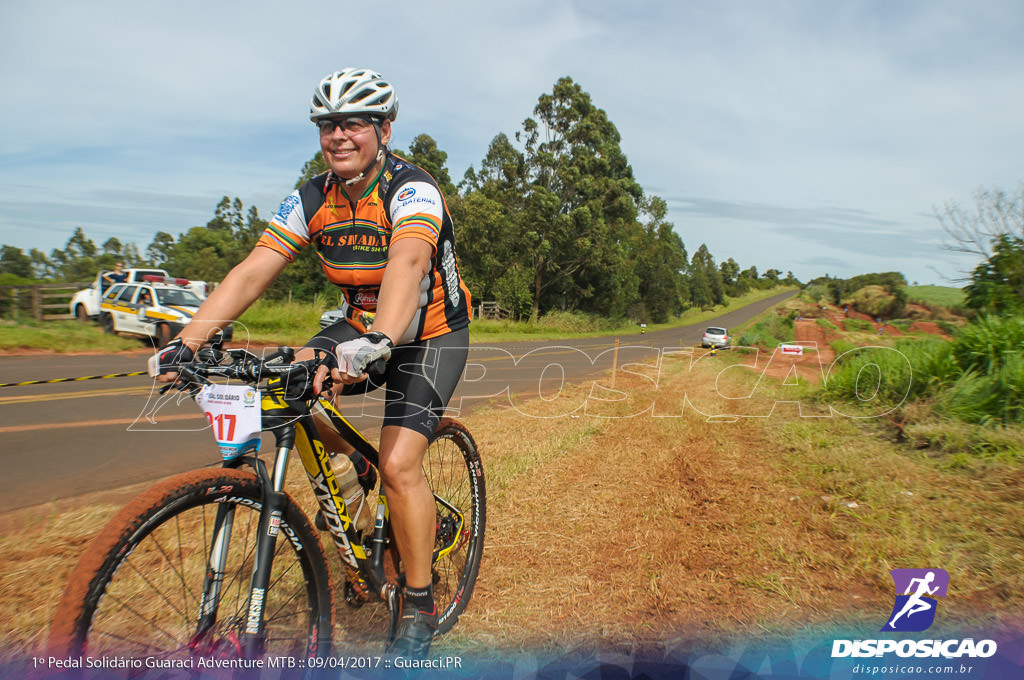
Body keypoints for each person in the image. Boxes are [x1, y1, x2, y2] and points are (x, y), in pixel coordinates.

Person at [148, 68, 472, 657]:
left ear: (384, 130)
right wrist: (187, 343)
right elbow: (252, 270)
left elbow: (406, 265)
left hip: (429, 332)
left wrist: (379, 339)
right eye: (328, 124)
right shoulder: (311, 197)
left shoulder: (413, 189)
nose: (339, 135)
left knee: (402, 465)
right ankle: (352, 468)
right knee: (282, 381)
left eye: (354, 123)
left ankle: (419, 605)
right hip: (360, 323)